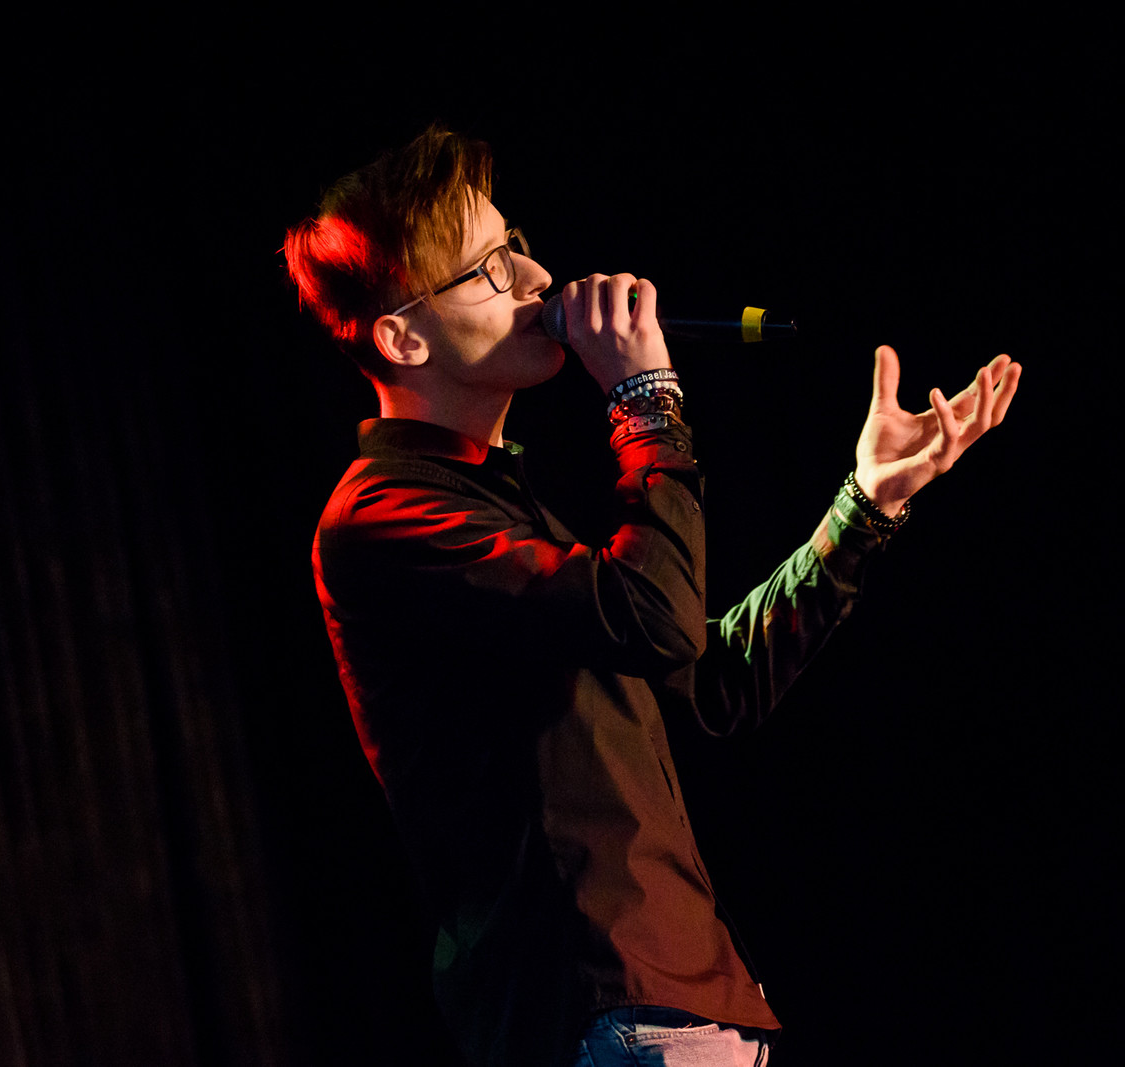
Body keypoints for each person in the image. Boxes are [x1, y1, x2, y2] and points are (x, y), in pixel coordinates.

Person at [283, 124, 1021, 1067]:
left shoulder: (494, 497)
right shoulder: (388, 516)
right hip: (609, 1005)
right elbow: (657, 616)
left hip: (666, 998)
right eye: (489, 268)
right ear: (401, 335)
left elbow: (708, 680)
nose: (536, 277)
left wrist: (863, 507)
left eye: (517, 244)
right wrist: (644, 395)